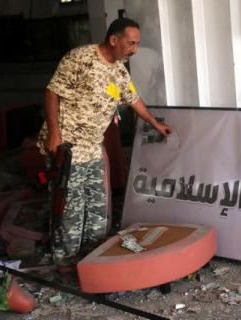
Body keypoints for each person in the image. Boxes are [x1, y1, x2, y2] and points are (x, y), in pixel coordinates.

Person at [37, 18, 171, 271]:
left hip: (92, 148)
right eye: (130, 43)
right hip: (68, 147)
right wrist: (55, 133)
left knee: (98, 207)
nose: (134, 49)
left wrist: (155, 123)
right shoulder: (81, 57)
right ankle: (65, 263)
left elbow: (134, 99)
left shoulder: (119, 70)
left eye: (137, 44)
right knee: (69, 209)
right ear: (113, 39)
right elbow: (52, 92)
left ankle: (91, 258)